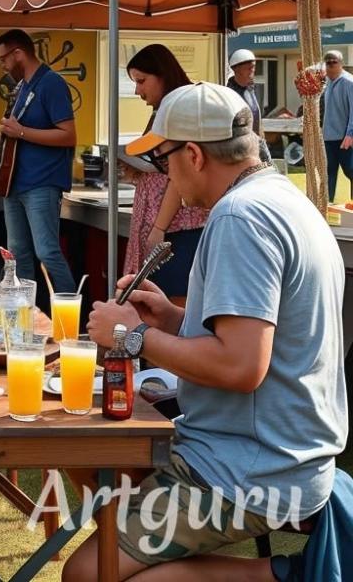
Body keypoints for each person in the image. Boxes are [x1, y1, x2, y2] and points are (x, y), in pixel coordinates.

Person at [64, 83, 347, 582]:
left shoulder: (240, 217)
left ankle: (285, 576)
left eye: (163, 159)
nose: (163, 173)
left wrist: (133, 335)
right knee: (95, 464)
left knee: (88, 573)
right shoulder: (283, 198)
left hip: (248, 468)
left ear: (193, 155)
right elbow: (262, 339)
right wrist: (172, 320)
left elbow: (241, 367)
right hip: (281, 454)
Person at [0, 29, 76, 293]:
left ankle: (72, 310)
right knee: (17, 254)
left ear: (18, 54)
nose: (2, 66)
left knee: (46, 251)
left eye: (3, 59)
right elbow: (16, 127)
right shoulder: (22, 87)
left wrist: (21, 132)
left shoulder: (51, 83)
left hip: (42, 182)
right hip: (14, 182)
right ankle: (24, 313)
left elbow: (68, 135)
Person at [124, 44, 208, 299]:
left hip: (176, 227)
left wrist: (159, 228)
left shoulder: (182, 111)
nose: (137, 91)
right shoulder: (164, 110)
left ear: (163, 75)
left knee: (169, 298)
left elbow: (177, 175)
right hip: (164, 224)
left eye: (141, 81)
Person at [226, 48, 272, 164]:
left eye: (253, 67)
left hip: (258, 141)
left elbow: (256, 112)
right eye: (248, 68)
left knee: (268, 169)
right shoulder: (229, 92)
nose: (253, 70)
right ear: (236, 69)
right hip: (241, 144)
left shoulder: (252, 88)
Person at [323, 50, 353, 201]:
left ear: (341, 64)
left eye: (333, 62)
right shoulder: (326, 83)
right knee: (328, 173)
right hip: (328, 137)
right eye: (327, 62)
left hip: (344, 138)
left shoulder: (349, 82)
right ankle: (327, 205)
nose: (330, 65)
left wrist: (350, 134)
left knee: (350, 171)